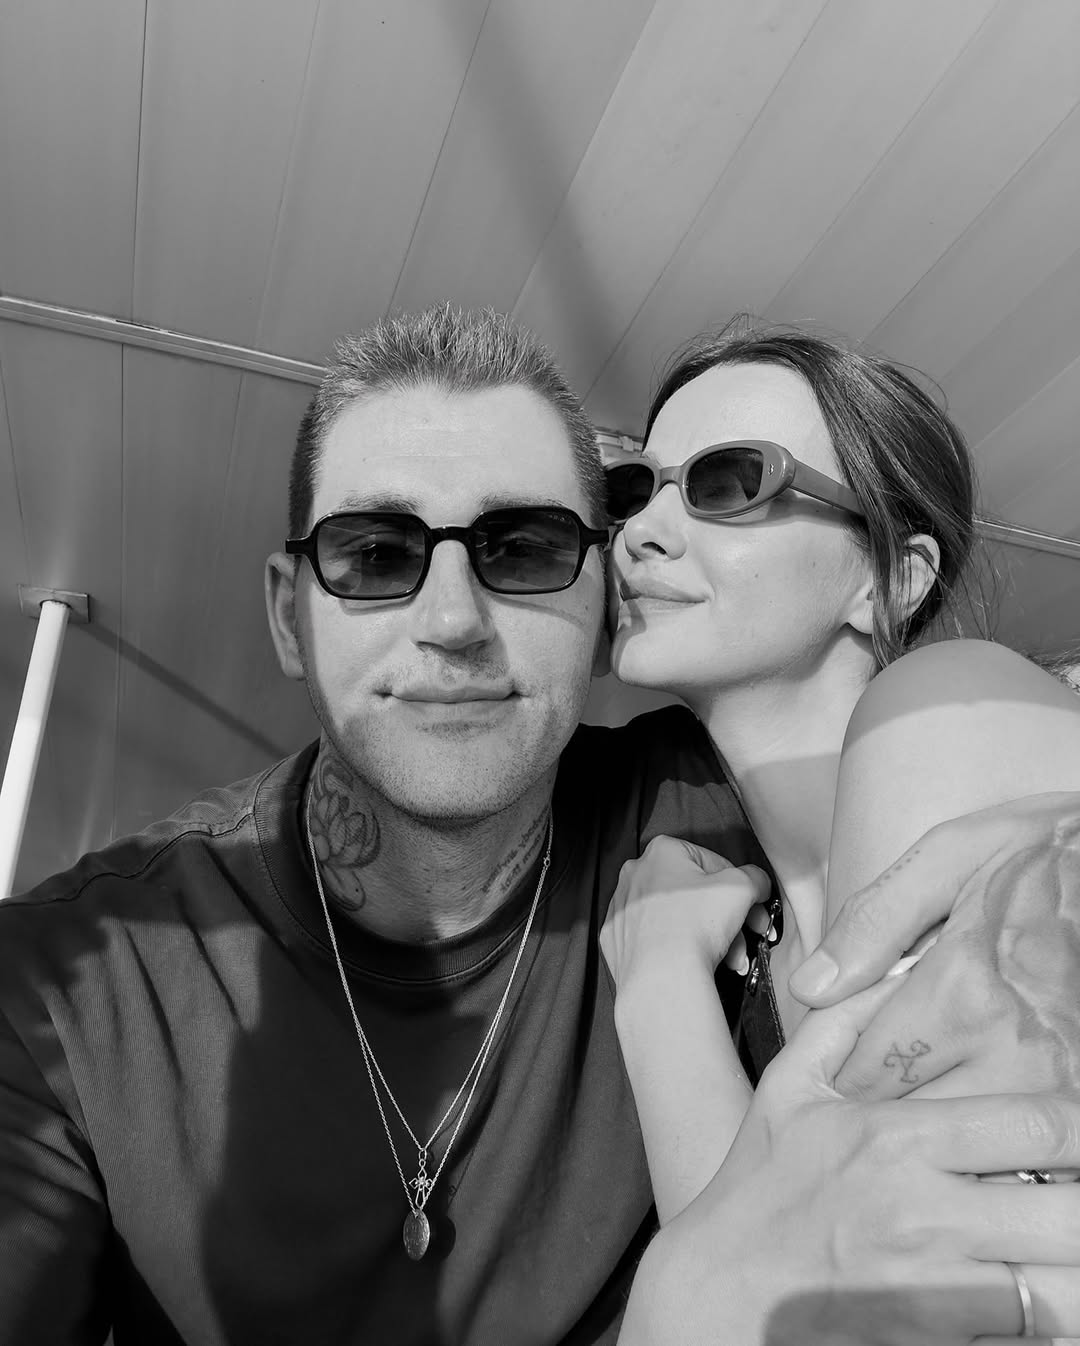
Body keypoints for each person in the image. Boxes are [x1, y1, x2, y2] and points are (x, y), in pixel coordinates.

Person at [1, 306, 1079, 1345]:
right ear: (291, 615)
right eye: (376, 554)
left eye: (524, 546)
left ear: (894, 577)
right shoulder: (71, 978)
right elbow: (770, 1245)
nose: (453, 618)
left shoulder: (950, 743)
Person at [599, 321, 1080, 1340]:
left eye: (730, 482)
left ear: (891, 578)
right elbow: (779, 1273)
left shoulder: (950, 704)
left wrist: (656, 988)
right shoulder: (753, 954)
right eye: (634, 489)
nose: (640, 531)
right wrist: (663, 984)